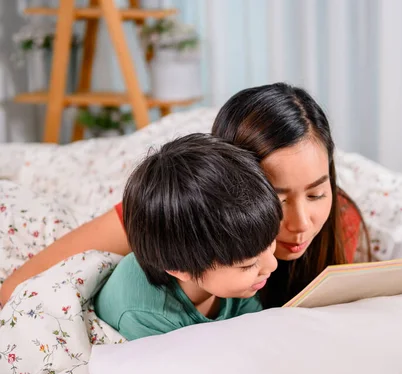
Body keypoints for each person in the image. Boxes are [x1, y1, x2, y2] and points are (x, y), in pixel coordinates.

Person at [0, 83, 371, 309]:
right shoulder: (171, 214)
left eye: (318, 192)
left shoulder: (342, 221)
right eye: (278, 198)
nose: (302, 224)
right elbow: (16, 291)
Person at [95, 134, 282, 340]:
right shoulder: (146, 316)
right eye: (248, 264)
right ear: (180, 269)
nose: (272, 265)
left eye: (270, 242)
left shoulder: (239, 278)